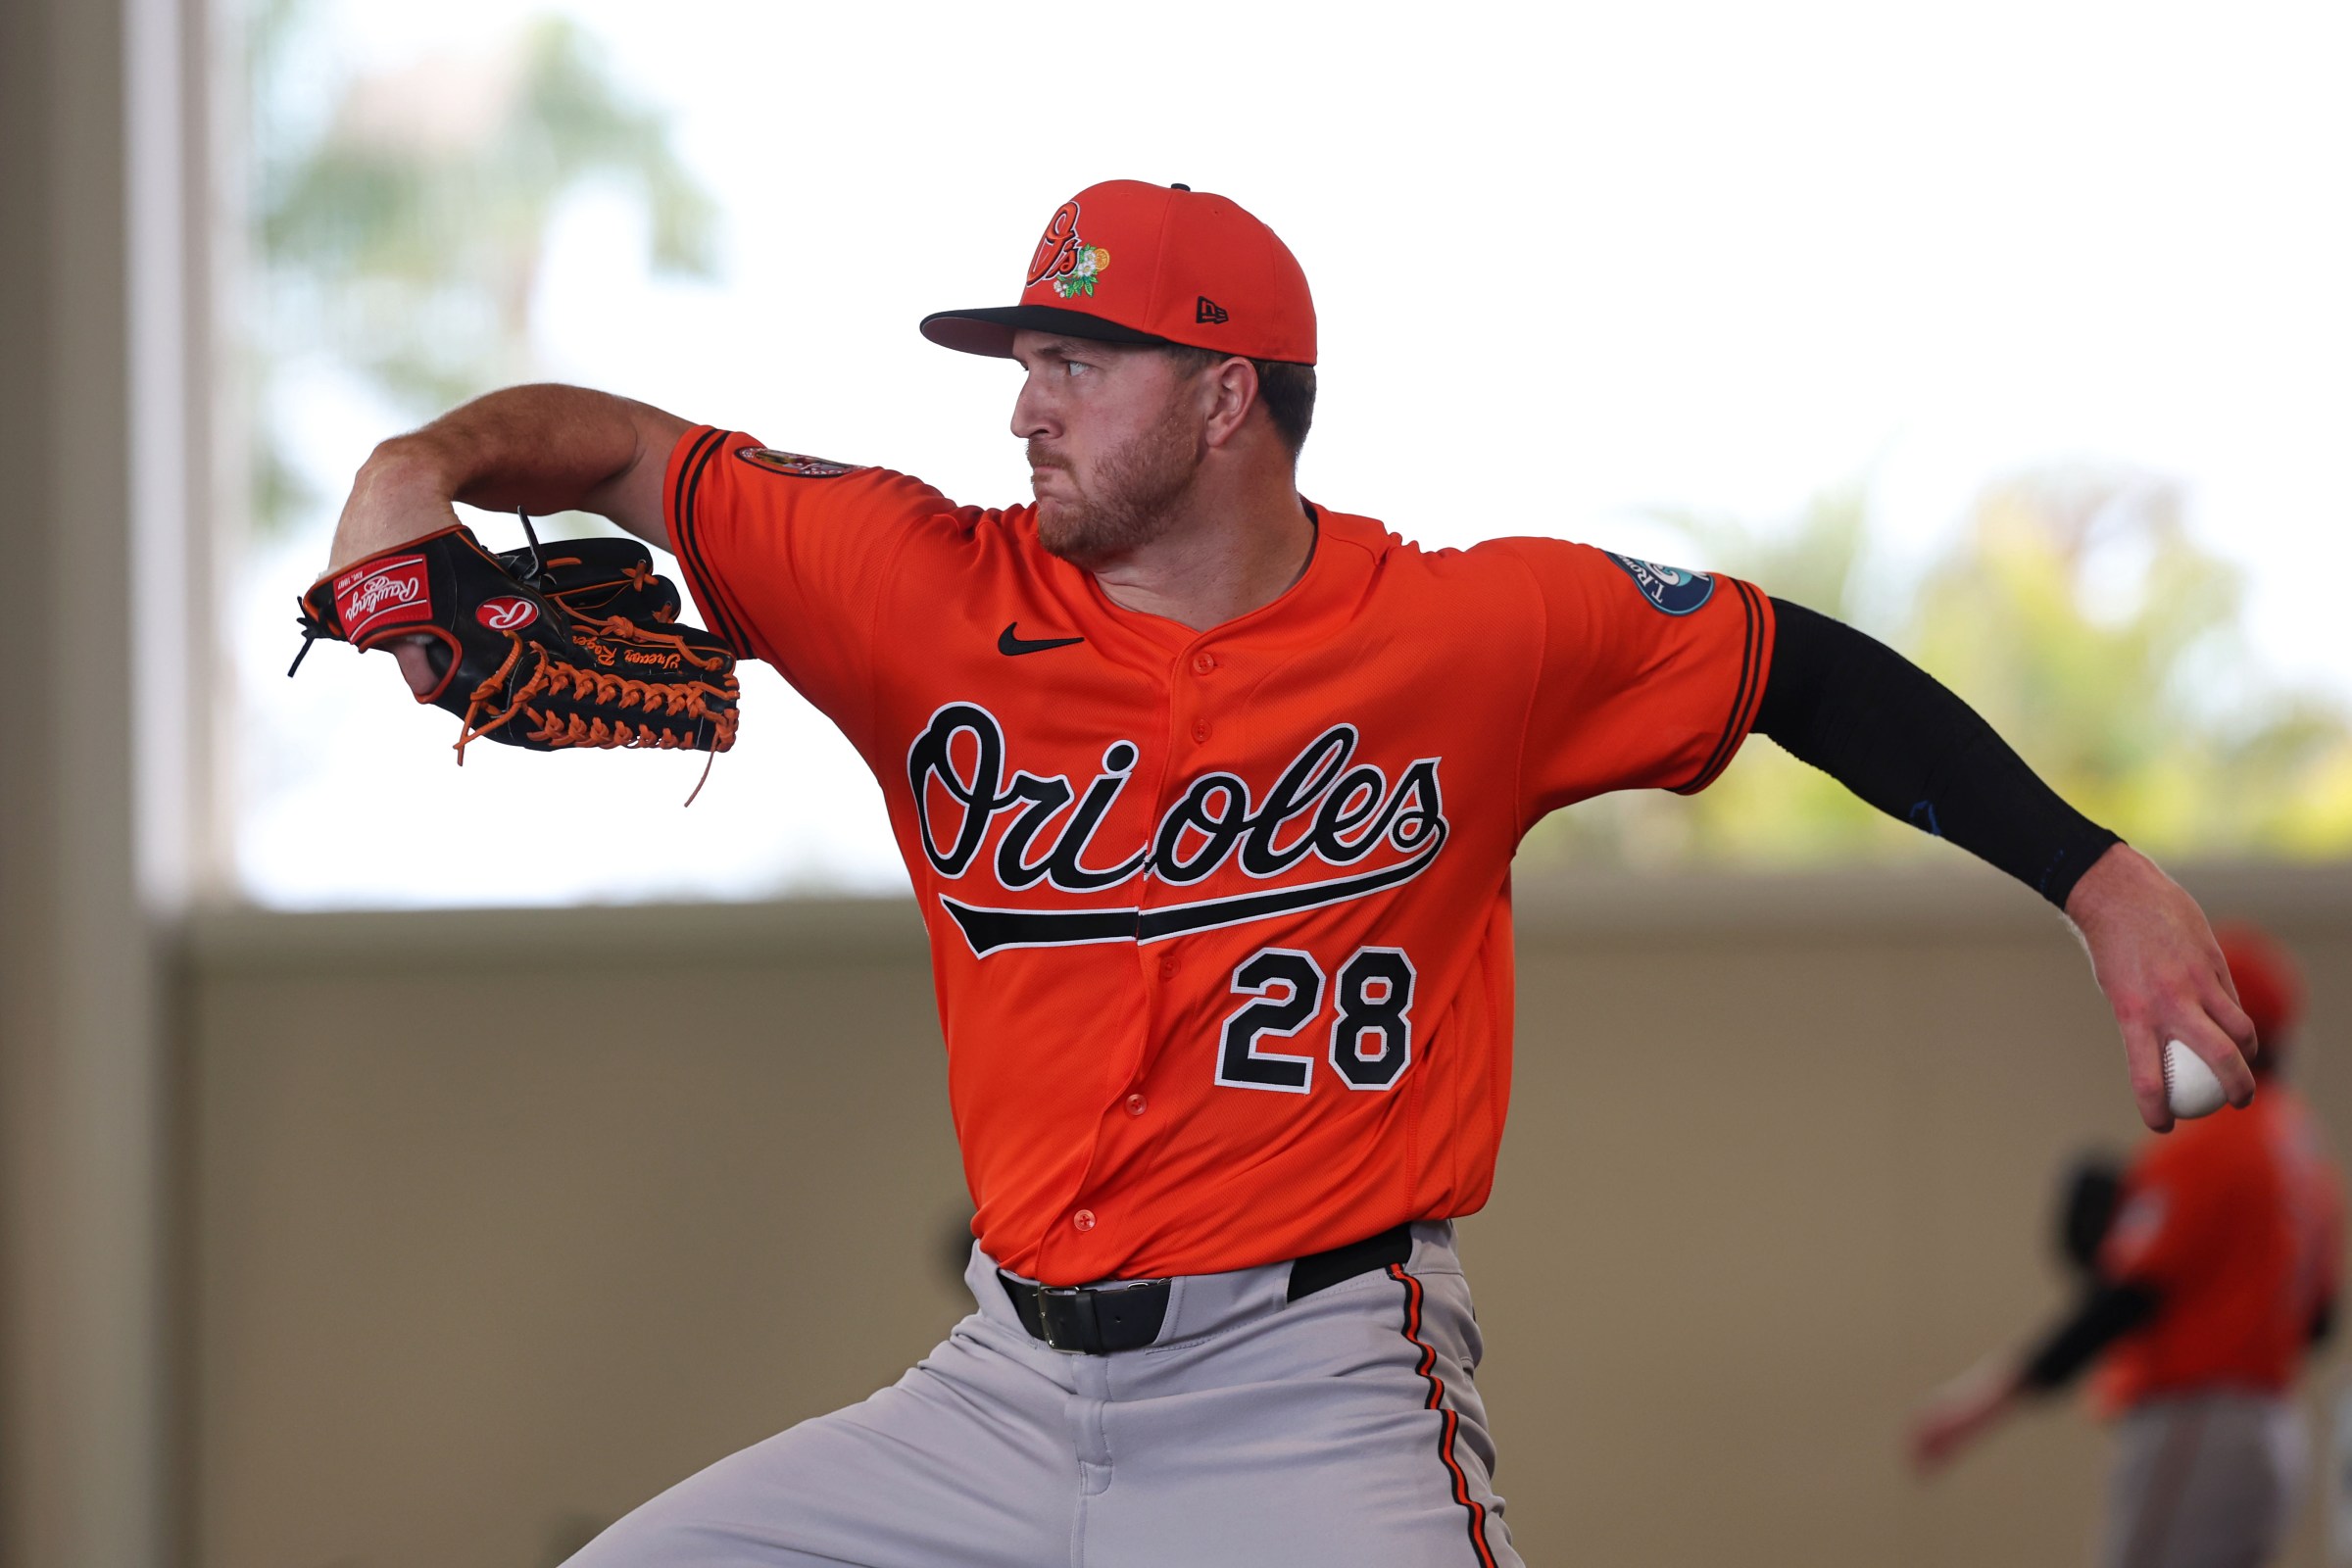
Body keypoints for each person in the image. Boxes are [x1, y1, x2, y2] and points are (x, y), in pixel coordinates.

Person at [321, 179, 2261, 1567]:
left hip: (1314, 1384)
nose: (1020, 402)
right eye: (1024, 357)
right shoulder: (914, 584)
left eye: (1075, 357)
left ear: (1225, 391)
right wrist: (416, 466)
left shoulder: (1468, 636)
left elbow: (1790, 665)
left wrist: (2091, 872)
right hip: (995, 1389)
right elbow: (606, 449)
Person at [1909, 925, 2340, 1568]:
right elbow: (2320, 1325)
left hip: (2200, 1423)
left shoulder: (2215, 1146)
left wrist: (1980, 1404)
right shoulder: (2301, 1147)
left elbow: (2125, 1299)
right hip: (2274, 1430)